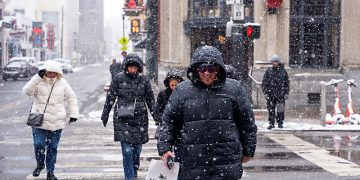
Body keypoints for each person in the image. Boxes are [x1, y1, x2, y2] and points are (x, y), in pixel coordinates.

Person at [157, 46, 257, 179]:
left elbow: (247, 123)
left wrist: (248, 150)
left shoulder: (234, 89)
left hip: (226, 160)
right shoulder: (182, 90)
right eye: (202, 69)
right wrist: (165, 148)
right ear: (196, 69)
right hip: (192, 161)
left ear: (218, 70)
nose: (206, 73)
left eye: (211, 69)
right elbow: (168, 122)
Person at [101, 53, 155, 180]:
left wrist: (156, 116)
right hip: (122, 118)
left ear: (139, 68)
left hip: (139, 119)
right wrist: (105, 114)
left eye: (135, 67)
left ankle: (134, 170)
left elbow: (150, 99)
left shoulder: (144, 80)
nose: (132, 70)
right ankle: (129, 177)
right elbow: (111, 97)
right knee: (127, 151)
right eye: (130, 67)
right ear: (126, 67)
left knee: (137, 150)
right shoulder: (118, 79)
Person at [23, 61, 79, 180]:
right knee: (39, 145)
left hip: (57, 122)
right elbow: (27, 91)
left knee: (53, 148)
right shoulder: (38, 81)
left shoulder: (63, 83)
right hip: (39, 120)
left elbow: (72, 98)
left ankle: (50, 172)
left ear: (58, 73)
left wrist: (74, 113)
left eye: (55, 72)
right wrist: (36, 78)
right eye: (50, 72)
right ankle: (40, 164)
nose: (52, 74)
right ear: (45, 72)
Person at [262, 55, 290, 129]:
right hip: (271, 95)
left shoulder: (283, 71)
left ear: (278, 62)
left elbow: (287, 83)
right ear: (272, 62)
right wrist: (265, 93)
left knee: (280, 110)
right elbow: (264, 83)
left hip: (281, 94)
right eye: (274, 61)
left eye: (276, 61)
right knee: (271, 110)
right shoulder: (268, 71)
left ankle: (280, 123)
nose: (275, 63)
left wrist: (286, 92)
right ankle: (271, 123)